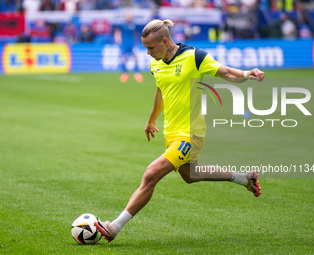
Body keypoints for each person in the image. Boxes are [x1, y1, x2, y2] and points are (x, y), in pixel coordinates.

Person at [94, 19, 265, 243]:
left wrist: (245, 74)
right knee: (190, 175)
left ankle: (113, 227)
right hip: (171, 132)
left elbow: (225, 73)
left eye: (151, 48)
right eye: (145, 48)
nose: (147, 53)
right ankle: (246, 179)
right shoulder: (155, 64)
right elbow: (161, 91)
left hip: (191, 134)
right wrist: (151, 120)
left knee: (150, 175)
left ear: (165, 41)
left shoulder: (195, 56)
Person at [114, 12, 143, 83]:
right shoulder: (122, 25)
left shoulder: (134, 25)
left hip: (132, 43)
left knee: (135, 57)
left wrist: (137, 42)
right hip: (124, 43)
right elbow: (117, 31)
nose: (129, 18)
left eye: (130, 16)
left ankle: (137, 73)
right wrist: (117, 37)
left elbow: (137, 33)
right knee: (123, 57)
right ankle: (124, 73)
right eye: (127, 16)